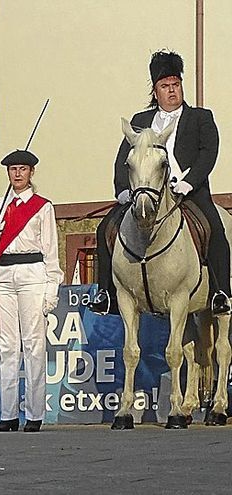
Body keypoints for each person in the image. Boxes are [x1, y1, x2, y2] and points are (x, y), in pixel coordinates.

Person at [91, 50, 229, 316]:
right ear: (155, 91)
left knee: (216, 229)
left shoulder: (201, 117)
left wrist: (189, 182)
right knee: (104, 228)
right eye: (165, 86)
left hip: (189, 192)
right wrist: (122, 190)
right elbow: (124, 158)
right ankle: (106, 293)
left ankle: (221, 293)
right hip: (146, 191)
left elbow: (208, 153)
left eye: (175, 85)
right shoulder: (140, 121)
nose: (172, 91)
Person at [0, 150, 63, 433]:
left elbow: (51, 249)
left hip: (31, 272)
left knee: (33, 344)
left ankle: (35, 413)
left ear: (31, 173)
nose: (17, 174)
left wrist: (52, 286)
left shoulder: (42, 207)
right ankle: (8, 414)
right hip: (2, 274)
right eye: (13, 169)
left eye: (22, 169)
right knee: (6, 346)